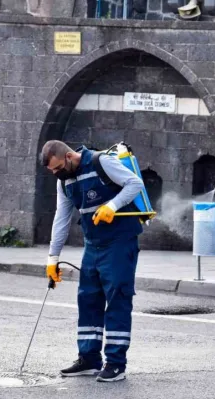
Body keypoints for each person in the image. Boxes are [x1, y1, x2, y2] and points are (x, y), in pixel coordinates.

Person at [40, 140, 144, 382]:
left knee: (117, 298)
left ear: (68, 156)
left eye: (57, 168)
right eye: (52, 171)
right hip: (93, 244)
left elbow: (134, 183)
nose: (55, 173)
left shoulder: (100, 162)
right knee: (88, 298)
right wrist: (52, 258)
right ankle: (89, 359)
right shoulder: (63, 181)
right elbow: (62, 218)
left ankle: (116, 364)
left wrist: (112, 205)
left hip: (120, 240)